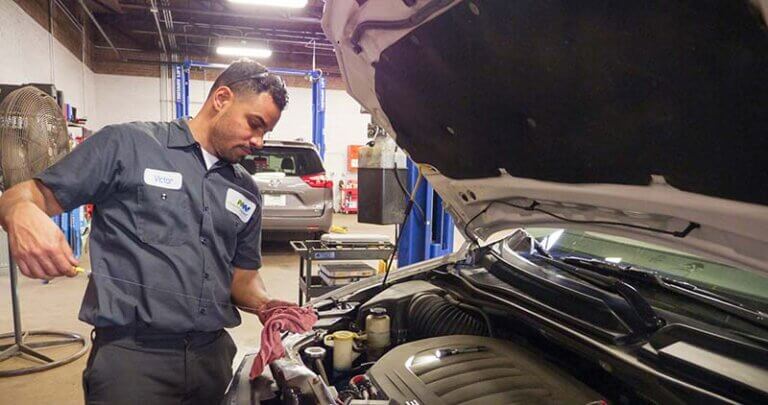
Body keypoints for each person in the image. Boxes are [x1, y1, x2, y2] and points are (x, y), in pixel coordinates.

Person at [0, 59, 296, 404]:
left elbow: (242, 279)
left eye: (266, 132)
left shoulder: (245, 190)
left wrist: (267, 306)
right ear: (222, 99)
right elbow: (23, 195)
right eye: (254, 124)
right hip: (133, 362)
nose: (259, 141)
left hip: (212, 360)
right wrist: (21, 212)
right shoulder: (128, 145)